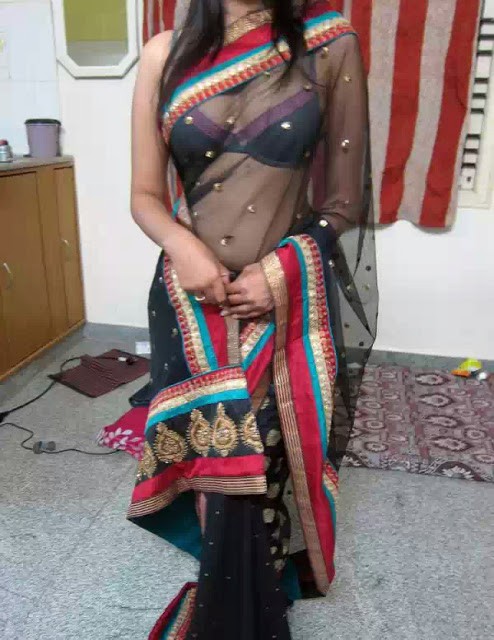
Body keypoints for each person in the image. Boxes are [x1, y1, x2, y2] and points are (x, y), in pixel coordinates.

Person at [127, 0, 377, 637]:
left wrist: (281, 270)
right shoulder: (164, 55)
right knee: (212, 459)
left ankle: (249, 604)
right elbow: (145, 196)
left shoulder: (327, 45)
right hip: (189, 300)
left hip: (280, 294)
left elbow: (344, 200)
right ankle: (231, 588)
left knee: (260, 458)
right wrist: (181, 246)